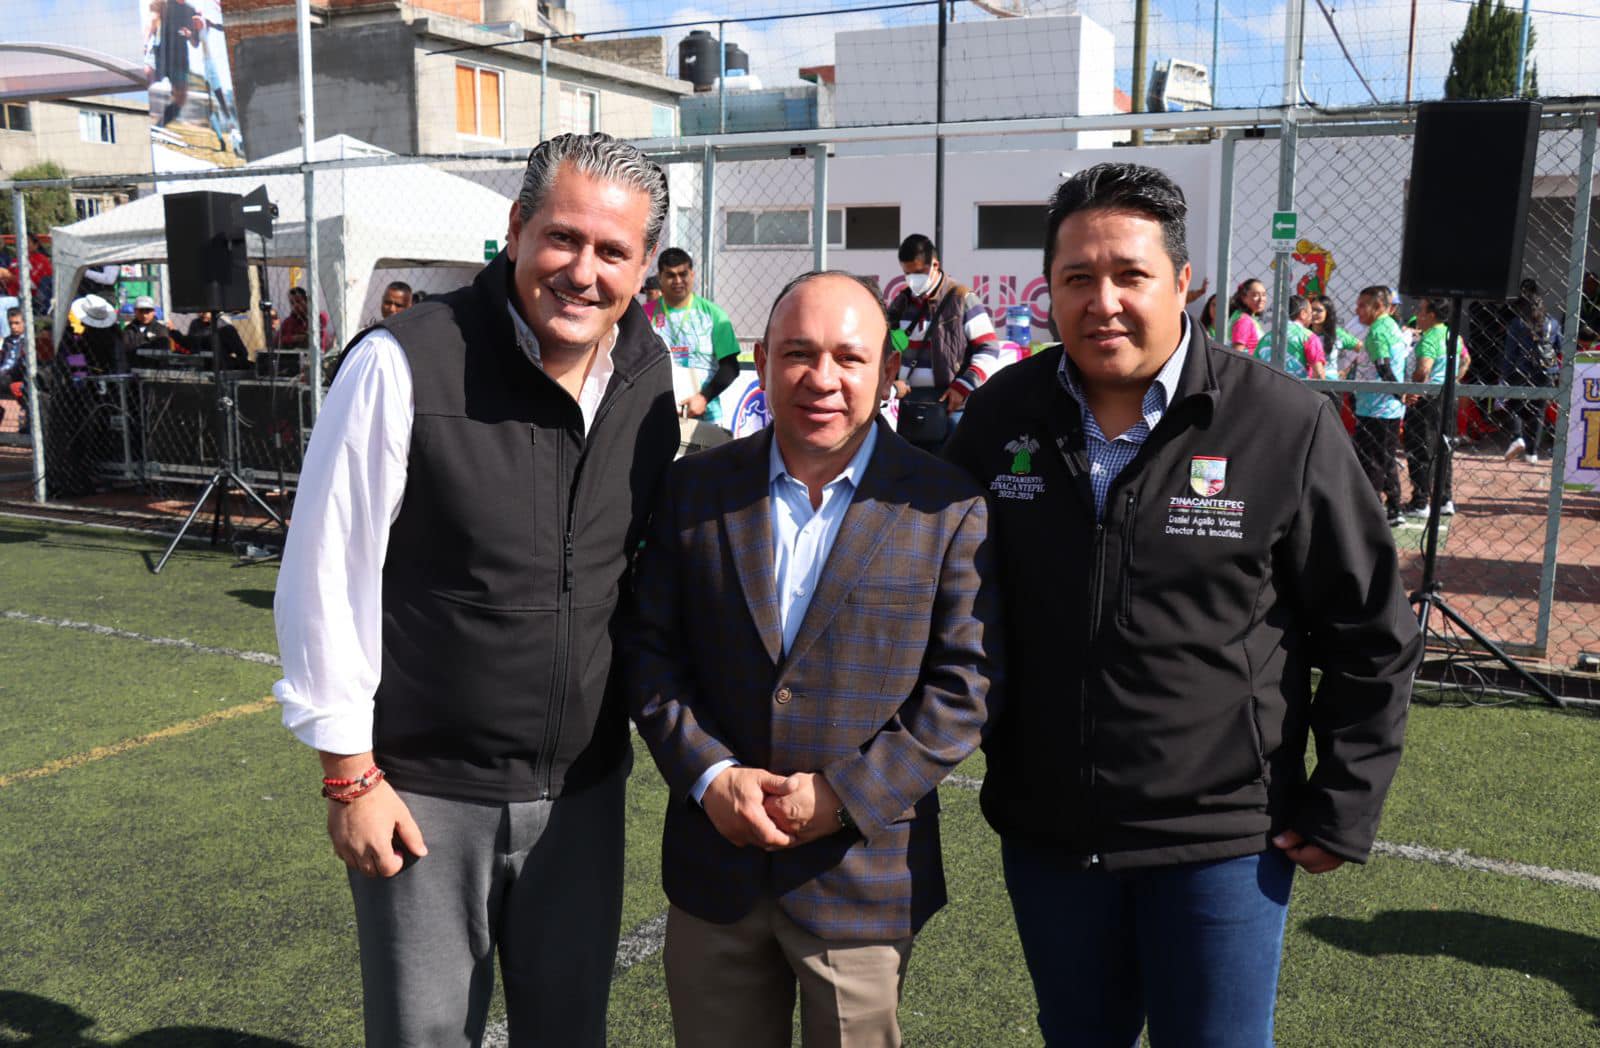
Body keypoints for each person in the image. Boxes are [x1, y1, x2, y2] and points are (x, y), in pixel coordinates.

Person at [945, 162, 1420, 1048]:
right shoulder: (1002, 415)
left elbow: (1371, 630)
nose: (1103, 302)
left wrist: (1344, 799)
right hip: (1048, 833)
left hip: (1221, 842)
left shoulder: (1283, 424)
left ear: (1184, 282)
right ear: (1049, 290)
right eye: (1077, 279)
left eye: (1130, 275)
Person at [271, 132, 679, 1047]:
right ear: (516, 229)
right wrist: (348, 776)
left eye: (613, 251)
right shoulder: (401, 361)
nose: (583, 271)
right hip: (422, 797)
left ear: (644, 265)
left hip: (583, 789)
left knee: (568, 1032)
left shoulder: (649, 374)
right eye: (563, 238)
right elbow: (323, 573)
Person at [625, 270, 1001, 1047]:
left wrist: (844, 795)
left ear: (889, 373)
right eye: (798, 353)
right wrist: (709, 776)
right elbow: (649, 650)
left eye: (849, 358)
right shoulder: (694, 489)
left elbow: (965, 685)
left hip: (860, 882)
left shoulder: (948, 505)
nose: (822, 379)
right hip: (714, 869)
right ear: (762, 361)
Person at [885, 233, 1002, 451]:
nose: (912, 279)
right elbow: (887, 348)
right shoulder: (901, 303)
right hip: (910, 405)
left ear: (935, 265)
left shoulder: (961, 298)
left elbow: (989, 348)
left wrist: (963, 387)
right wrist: (892, 383)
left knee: (952, 469)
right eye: (907, 273)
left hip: (951, 405)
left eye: (918, 272)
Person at [645, 248, 741, 425]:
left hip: (704, 416)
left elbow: (731, 367)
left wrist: (703, 398)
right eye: (670, 275)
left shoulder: (714, 316)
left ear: (692, 275)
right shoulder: (644, 316)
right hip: (655, 414)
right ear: (660, 278)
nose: (678, 281)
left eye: (683, 274)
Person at [1347, 285, 1410, 527]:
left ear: (1380, 306)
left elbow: (1384, 367)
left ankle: (1370, 514)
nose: (1357, 310)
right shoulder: (1392, 327)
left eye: (1363, 305)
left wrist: (1398, 393)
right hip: (1385, 407)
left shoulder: (1377, 332)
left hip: (1376, 408)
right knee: (1385, 458)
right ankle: (1394, 508)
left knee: (1371, 461)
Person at [1404, 297, 1470, 519]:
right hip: (1447, 396)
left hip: (1429, 398)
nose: (1418, 314)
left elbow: (1423, 370)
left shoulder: (1429, 338)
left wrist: (1414, 390)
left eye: (1421, 310)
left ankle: (1420, 501)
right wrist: (1453, 379)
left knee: (1420, 447)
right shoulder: (1452, 335)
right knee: (1444, 447)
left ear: (1431, 315)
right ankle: (1444, 499)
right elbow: (1465, 360)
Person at [1501, 278, 1561, 463]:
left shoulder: (1518, 323)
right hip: (1546, 371)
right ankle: (1532, 453)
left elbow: (1510, 352)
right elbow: (1559, 345)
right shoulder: (1552, 323)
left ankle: (1517, 436)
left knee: (1514, 406)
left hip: (1522, 369)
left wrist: (1504, 374)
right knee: (1538, 411)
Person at [1253, 294, 1327, 379]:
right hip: (1295, 388)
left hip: (1267, 387)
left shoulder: (1265, 338)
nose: (1311, 318)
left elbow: (1254, 369)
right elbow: (1319, 373)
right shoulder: (1308, 337)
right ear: (1303, 314)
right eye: (1310, 313)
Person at [171, 310, 249, 369]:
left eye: (205, 311)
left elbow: (241, 353)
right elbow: (191, 343)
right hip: (202, 362)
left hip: (220, 364)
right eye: (199, 311)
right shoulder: (196, 323)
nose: (202, 314)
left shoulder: (225, 328)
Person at [1308, 295, 1357, 379]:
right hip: (1306, 383)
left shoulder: (1337, 333)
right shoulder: (1304, 333)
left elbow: (1362, 349)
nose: (1313, 313)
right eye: (1311, 310)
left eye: (1318, 310)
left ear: (1328, 313)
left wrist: (1348, 370)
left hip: (1330, 385)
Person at [278, 286, 333, 353]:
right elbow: (280, 339)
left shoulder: (318, 317)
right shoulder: (288, 322)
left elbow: (319, 331)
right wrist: (296, 338)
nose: (295, 305)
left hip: (318, 353)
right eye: (292, 303)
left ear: (307, 301)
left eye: (298, 301)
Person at [1226, 277, 1267, 354]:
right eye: (1255, 295)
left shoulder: (1245, 317)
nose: (1261, 299)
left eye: (1264, 294)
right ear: (1244, 298)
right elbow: (1237, 354)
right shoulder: (1244, 321)